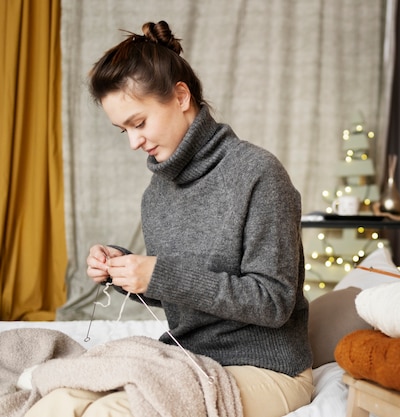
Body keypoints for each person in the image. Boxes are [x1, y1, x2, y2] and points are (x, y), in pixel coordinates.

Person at [28, 20, 313, 417]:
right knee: (56, 401)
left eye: (138, 123)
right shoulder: (157, 194)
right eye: (122, 130)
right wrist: (126, 270)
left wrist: (158, 274)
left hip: (266, 368)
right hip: (187, 359)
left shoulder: (258, 173)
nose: (133, 142)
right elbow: (183, 291)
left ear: (181, 96)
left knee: (109, 413)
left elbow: (273, 302)